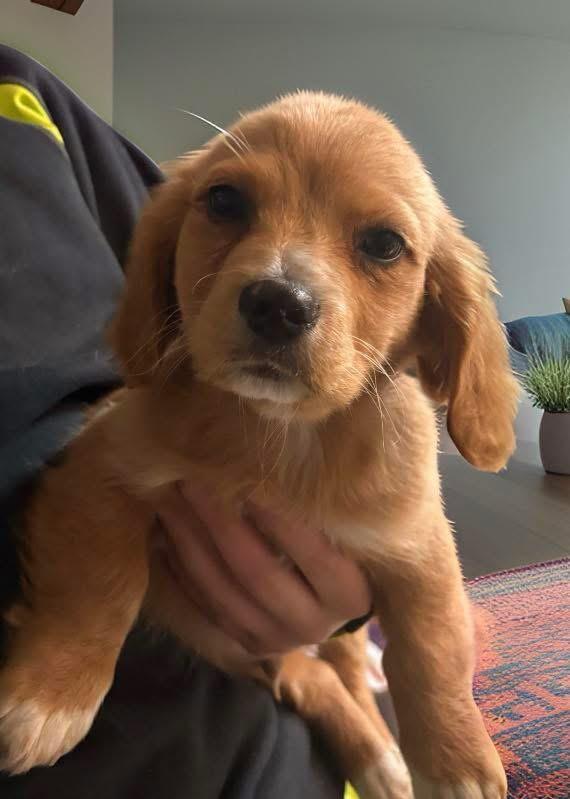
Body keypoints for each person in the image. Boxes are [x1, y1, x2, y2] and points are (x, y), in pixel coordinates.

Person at [0, 45, 373, 798]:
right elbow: (78, 439)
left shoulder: (41, 106)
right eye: (231, 207)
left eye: (374, 245)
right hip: (189, 720)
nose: (280, 279)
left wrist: (357, 615)